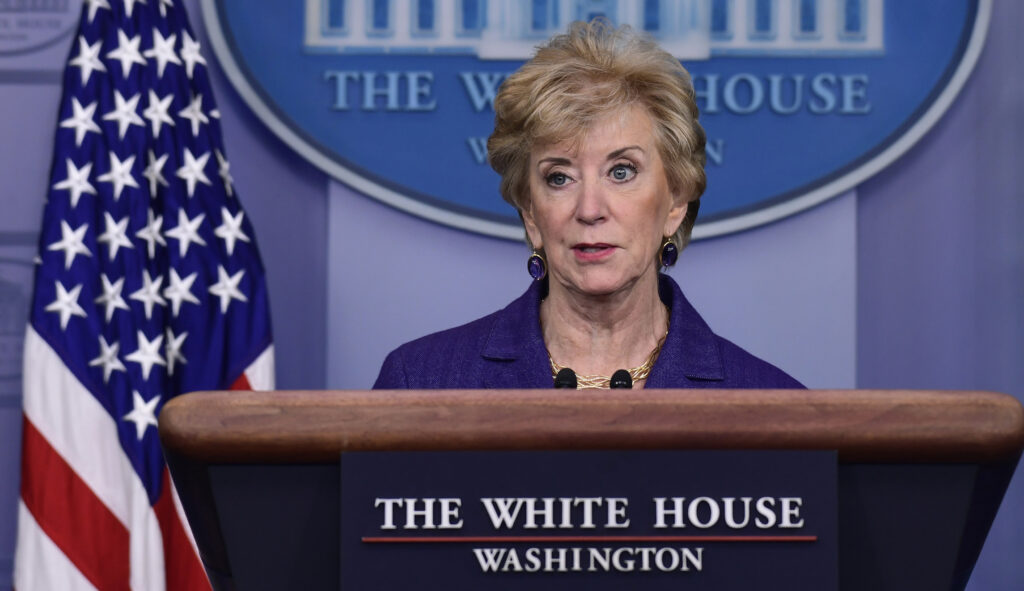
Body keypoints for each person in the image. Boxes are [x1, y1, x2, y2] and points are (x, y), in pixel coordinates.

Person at [374, 20, 803, 390]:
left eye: (621, 171)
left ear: (676, 201)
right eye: (559, 178)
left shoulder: (776, 407)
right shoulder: (421, 381)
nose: (590, 208)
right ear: (531, 212)